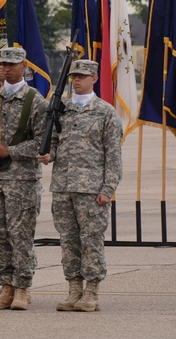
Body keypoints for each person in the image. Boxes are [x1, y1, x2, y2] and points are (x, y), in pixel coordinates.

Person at [39, 59, 123, 312]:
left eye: (82, 76)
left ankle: (92, 292)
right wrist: (48, 154)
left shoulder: (105, 112)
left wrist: (108, 189)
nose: (77, 80)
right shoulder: (61, 109)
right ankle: (74, 289)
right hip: (63, 187)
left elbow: (114, 155)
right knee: (69, 242)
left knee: (91, 240)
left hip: (91, 189)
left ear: (94, 79)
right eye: (74, 76)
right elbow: (53, 142)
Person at [0, 46, 49, 311]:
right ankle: (5, 285)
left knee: (20, 235)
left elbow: (44, 142)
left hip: (22, 179)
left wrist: (12, 150)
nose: (7, 68)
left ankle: (22, 287)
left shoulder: (35, 100)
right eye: (2, 64)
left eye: (12, 64)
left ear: (24, 67)